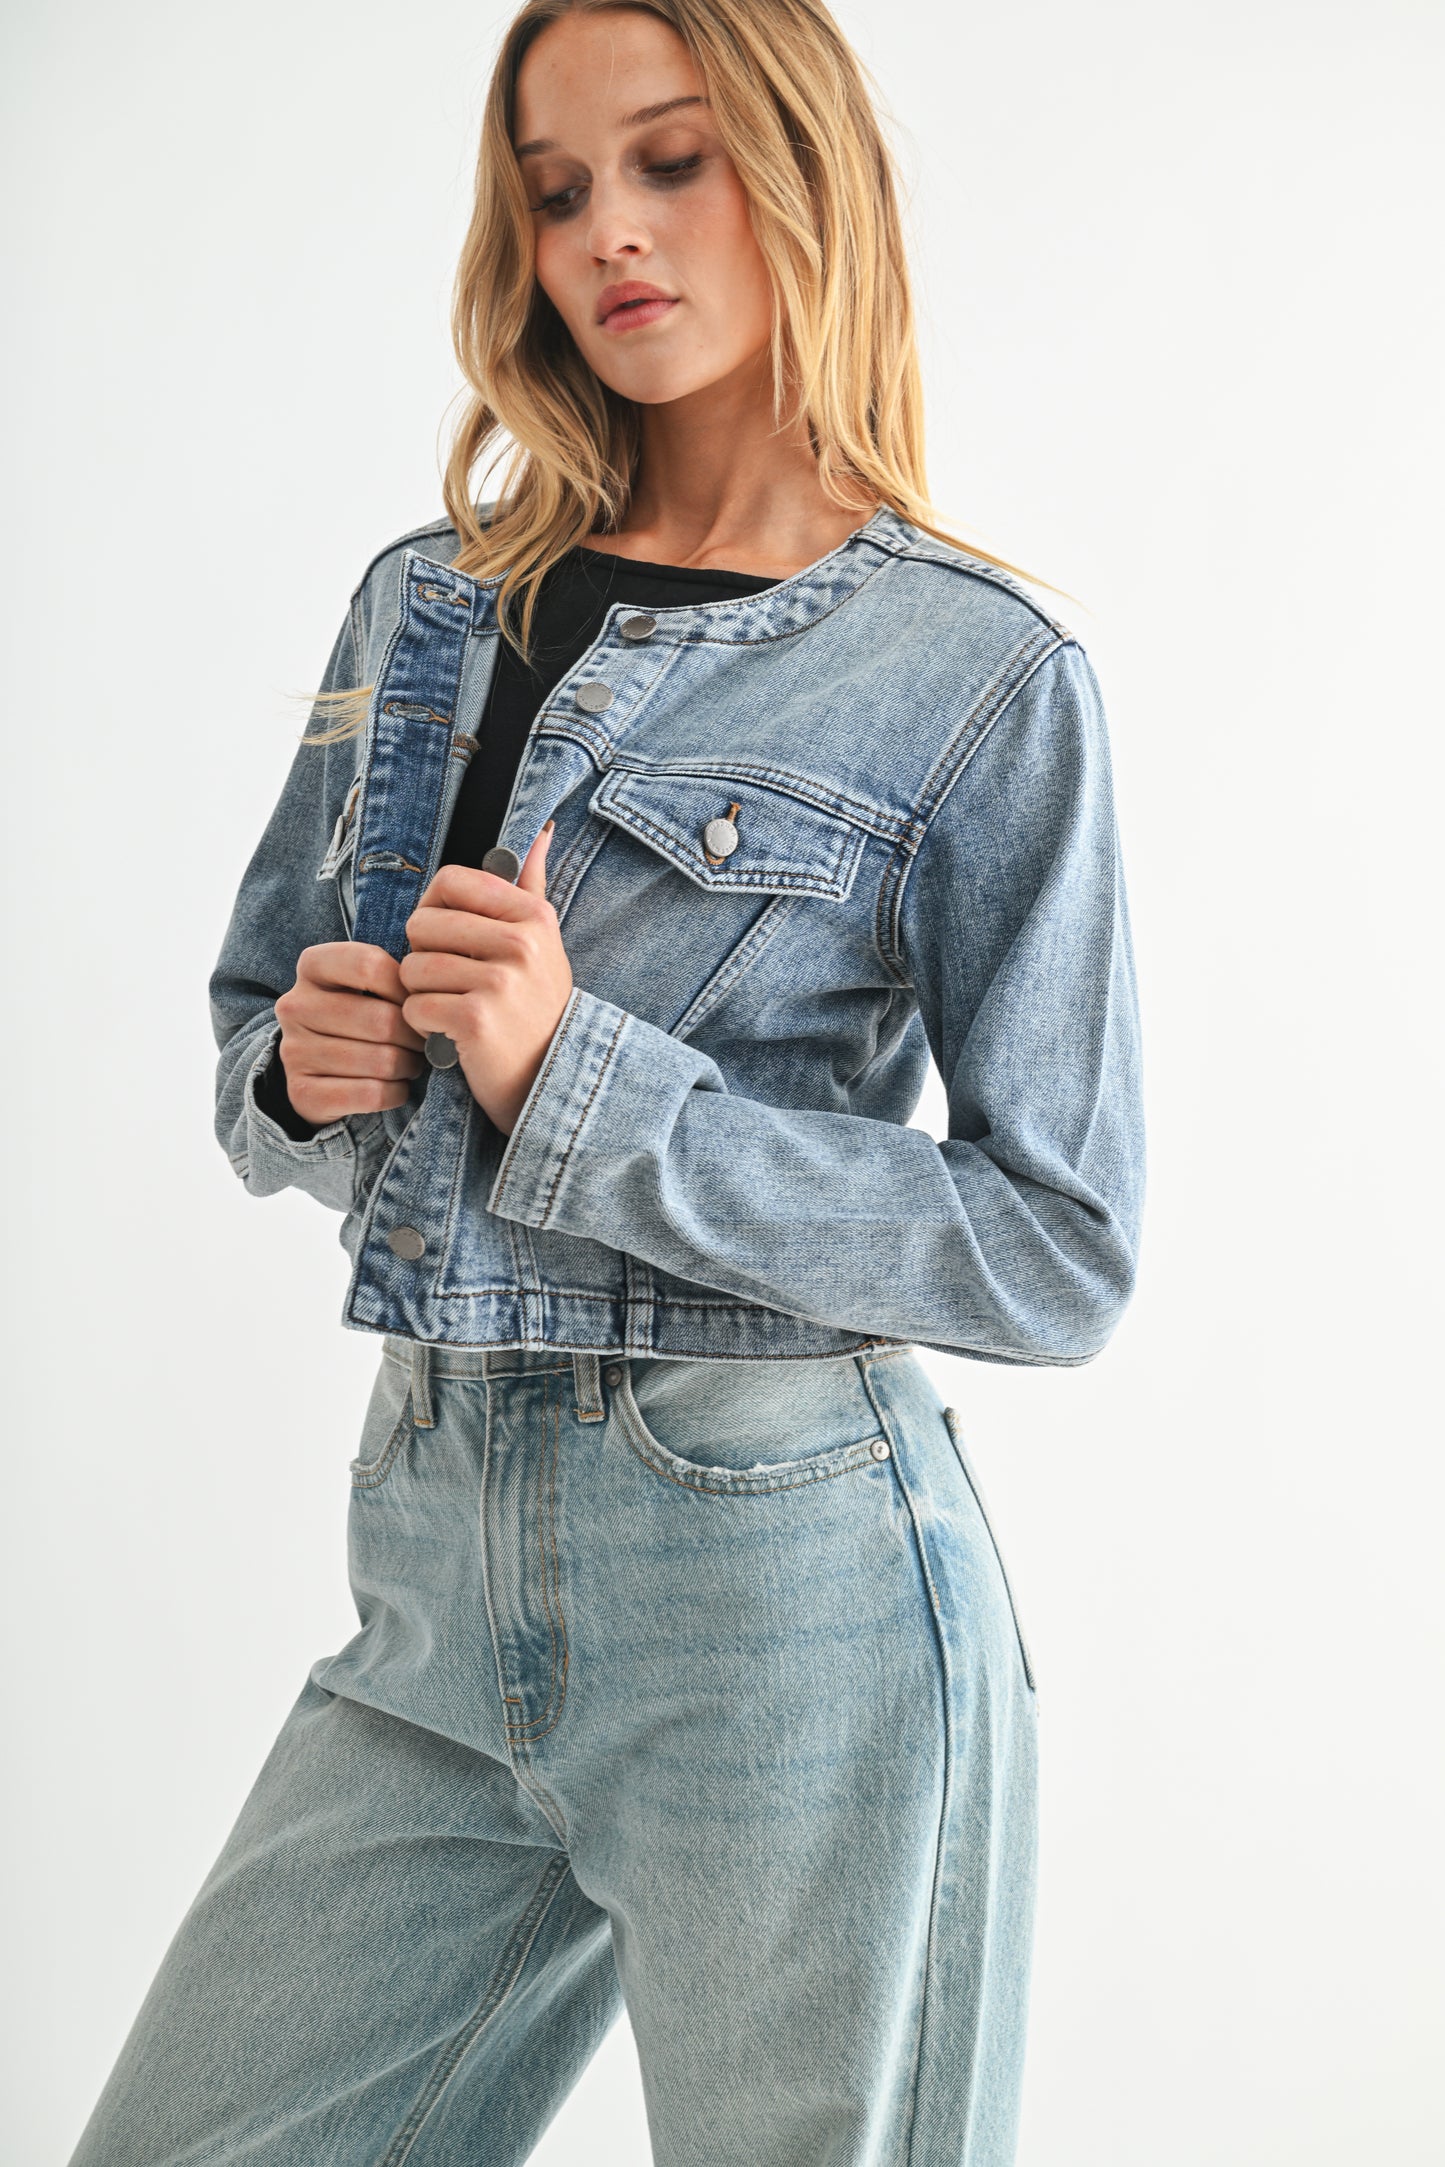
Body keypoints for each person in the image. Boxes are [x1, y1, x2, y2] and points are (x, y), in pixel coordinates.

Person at [67, 2, 1144, 2162]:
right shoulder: (428, 610)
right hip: (435, 1559)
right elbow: (248, 1035)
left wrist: (590, 1079)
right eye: (557, 191)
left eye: (670, 162)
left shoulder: (978, 675)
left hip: (787, 1592)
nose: (609, 235)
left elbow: (1062, 1247)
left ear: (798, 166)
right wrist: (301, 1068)